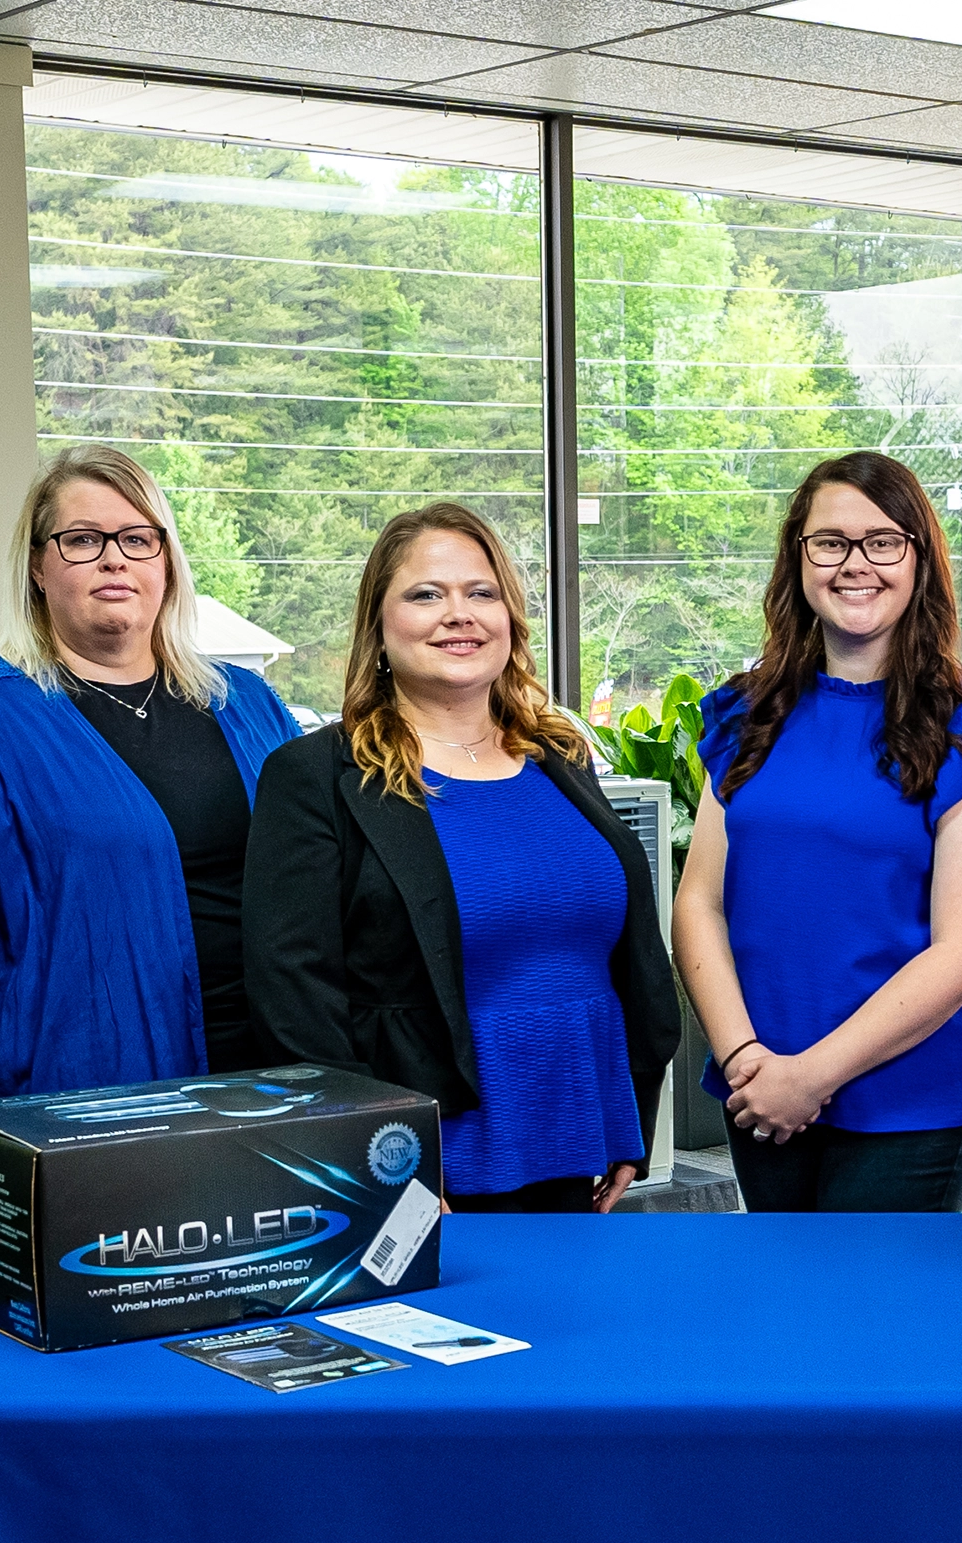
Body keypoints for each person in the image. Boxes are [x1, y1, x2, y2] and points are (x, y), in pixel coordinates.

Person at [243, 503, 678, 1214]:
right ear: (379, 628)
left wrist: (632, 1112)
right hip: (425, 1167)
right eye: (425, 594)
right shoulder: (316, 775)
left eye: (481, 593)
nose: (459, 615)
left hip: (578, 1144)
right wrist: (373, 1157)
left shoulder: (561, 758)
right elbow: (294, 999)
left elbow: (622, 958)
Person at [0, 444, 301, 1103]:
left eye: (138, 539)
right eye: (83, 540)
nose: (114, 558)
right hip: (90, 1111)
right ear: (36, 564)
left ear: (167, 562)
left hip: (276, 1091)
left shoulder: (248, 704)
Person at [670, 454, 962, 1213]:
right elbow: (699, 903)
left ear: (920, 558)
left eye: (883, 542)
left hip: (908, 1103)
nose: (854, 564)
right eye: (830, 542)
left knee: (878, 1323)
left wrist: (811, 1077)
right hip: (759, 1087)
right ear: (798, 558)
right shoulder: (746, 718)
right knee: (782, 1313)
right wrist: (746, 1062)